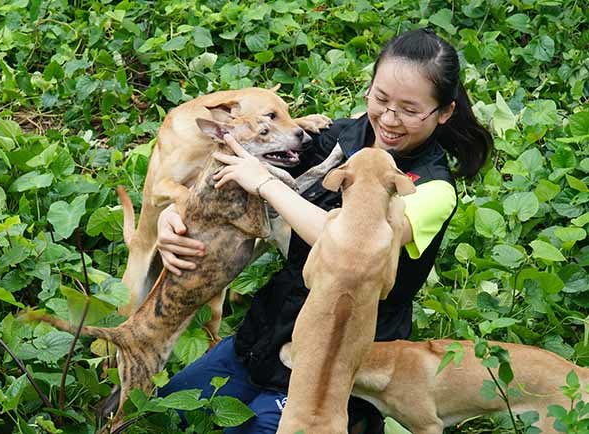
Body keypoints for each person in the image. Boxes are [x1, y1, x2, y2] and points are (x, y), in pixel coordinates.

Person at [155, 28, 493, 433]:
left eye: (408, 109)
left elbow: (351, 244)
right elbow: (237, 168)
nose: (388, 118)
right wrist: (174, 216)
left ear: (444, 112)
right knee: (163, 413)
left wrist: (265, 184)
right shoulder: (339, 137)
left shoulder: (432, 189)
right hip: (273, 328)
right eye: (380, 99)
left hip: (342, 355)